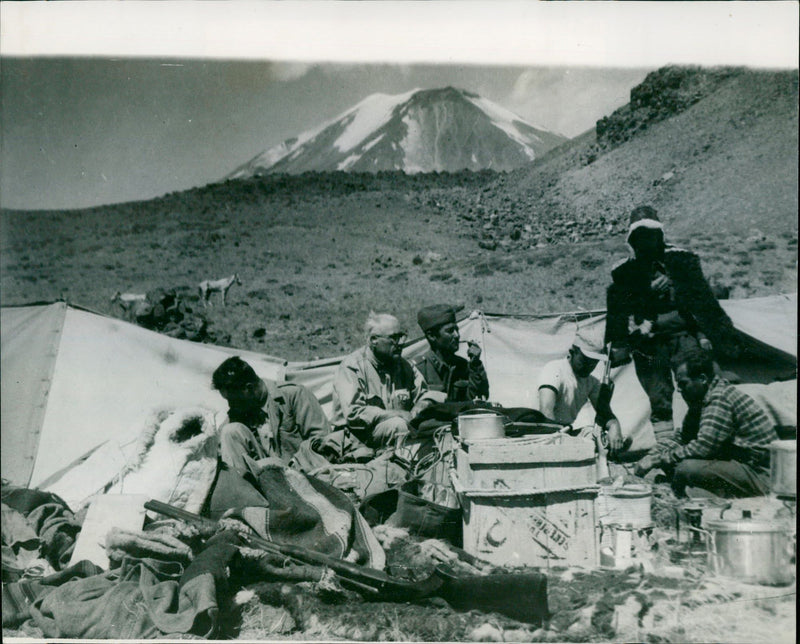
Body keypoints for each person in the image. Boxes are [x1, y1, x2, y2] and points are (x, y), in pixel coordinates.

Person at [604, 205, 739, 423]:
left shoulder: (682, 261)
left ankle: (706, 440)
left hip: (683, 336)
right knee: (659, 398)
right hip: (649, 342)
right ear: (633, 238)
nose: (646, 240)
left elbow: (703, 300)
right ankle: (665, 449)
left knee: (698, 389)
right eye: (641, 235)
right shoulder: (624, 271)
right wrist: (646, 294)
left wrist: (719, 336)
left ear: (659, 234)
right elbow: (620, 308)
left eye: (651, 233)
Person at [635, 349, 776, 498]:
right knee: (672, 459)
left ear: (702, 379)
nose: (679, 389)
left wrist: (656, 460)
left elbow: (703, 447)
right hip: (739, 464)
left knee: (686, 467)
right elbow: (683, 437)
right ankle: (701, 490)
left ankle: (690, 492)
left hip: (760, 474)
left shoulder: (719, 398)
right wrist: (652, 455)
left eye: (683, 383)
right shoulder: (701, 399)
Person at [212, 356, 331, 475]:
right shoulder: (238, 410)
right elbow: (221, 444)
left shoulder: (293, 395)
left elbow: (322, 440)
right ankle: (242, 491)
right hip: (265, 481)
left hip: (301, 474)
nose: (230, 405)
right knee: (230, 431)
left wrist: (298, 463)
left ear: (249, 388)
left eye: (233, 400)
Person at [331, 312, 428, 449]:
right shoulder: (353, 367)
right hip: (356, 438)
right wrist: (398, 414)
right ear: (373, 340)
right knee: (398, 425)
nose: (401, 343)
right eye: (394, 338)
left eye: (402, 336)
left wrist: (421, 406)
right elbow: (354, 414)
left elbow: (424, 394)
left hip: (392, 433)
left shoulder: (404, 366)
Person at [538, 334, 625, 455]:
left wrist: (615, 426)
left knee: (594, 434)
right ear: (572, 352)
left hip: (565, 432)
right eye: (584, 361)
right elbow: (546, 412)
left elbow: (604, 412)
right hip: (542, 431)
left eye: (594, 363)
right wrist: (557, 444)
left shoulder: (591, 382)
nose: (589, 366)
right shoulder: (554, 369)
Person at [414, 304, 489, 402]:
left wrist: (475, 364)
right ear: (431, 336)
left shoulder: (462, 365)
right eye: (450, 331)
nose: (457, 335)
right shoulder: (418, 369)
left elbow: (478, 398)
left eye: (457, 329)